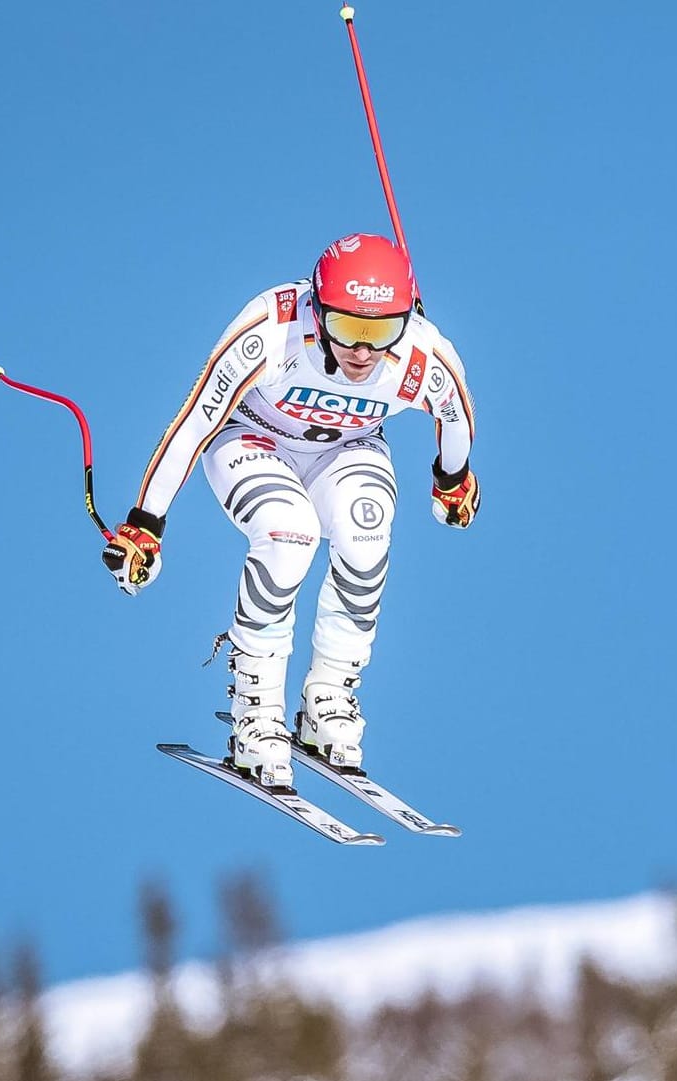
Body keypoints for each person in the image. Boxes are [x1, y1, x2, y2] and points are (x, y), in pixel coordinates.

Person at [100, 233, 479, 788]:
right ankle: (257, 716)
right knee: (290, 534)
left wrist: (452, 480)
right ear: (317, 306)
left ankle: (328, 701)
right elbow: (195, 422)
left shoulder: (418, 355)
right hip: (253, 439)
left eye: (381, 332)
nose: (363, 352)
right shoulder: (271, 333)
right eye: (348, 328)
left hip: (346, 446)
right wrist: (147, 523)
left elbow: (457, 415)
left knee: (366, 531)